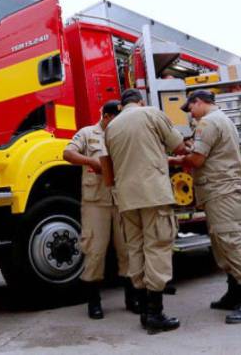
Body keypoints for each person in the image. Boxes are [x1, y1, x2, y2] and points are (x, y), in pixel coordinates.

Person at [103, 88, 187, 334]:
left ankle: (142, 309)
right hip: (153, 194)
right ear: (140, 101)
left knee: (136, 249)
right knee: (158, 246)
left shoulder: (112, 127)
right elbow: (178, 146)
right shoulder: (151, 113)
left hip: (127, 198)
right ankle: (155, 313)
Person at [177, 89, 241, 324]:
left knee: (231, 240)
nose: (190, 115)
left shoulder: (209, 122)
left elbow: (196, 160)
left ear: (200, 102)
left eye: (190, 108)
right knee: (221, 240)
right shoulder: (221, 120)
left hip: (221, 190)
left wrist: (173, 159)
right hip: (219, 190)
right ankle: (234, 293)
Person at [63, 100, 137, 320]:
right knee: (94, 250)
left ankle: (131, 297)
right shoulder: (87, 133)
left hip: (122, 200)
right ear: (106, 116)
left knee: (127, 249)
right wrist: (93, 162)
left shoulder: (123, 134)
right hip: (95, 202)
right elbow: (68, 154)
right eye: (116, 118)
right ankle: (93, 301)